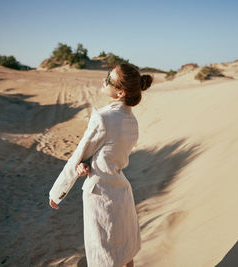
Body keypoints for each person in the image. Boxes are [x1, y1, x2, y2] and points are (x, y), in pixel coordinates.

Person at [48, 63, 153, 267]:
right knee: (126, 252)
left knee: (103, 257)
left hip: (100, 196)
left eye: (109, 79)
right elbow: (110, 155)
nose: (103, 80)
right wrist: (87, 163)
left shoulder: (103, 118)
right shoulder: (132, 121)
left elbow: (77, 156)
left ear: (121, 92)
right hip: (122, 193)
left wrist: (57, 192)